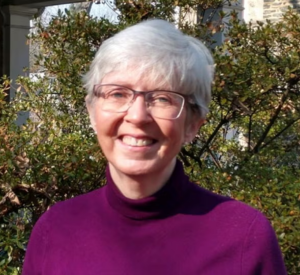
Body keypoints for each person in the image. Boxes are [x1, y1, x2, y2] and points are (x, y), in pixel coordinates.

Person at [22, 19, 286, 275]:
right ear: (92, 112)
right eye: (118, 94)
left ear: (193, 125)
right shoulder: (56, 230)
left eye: (162, 98)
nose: (137, 116)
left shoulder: (243, 237)